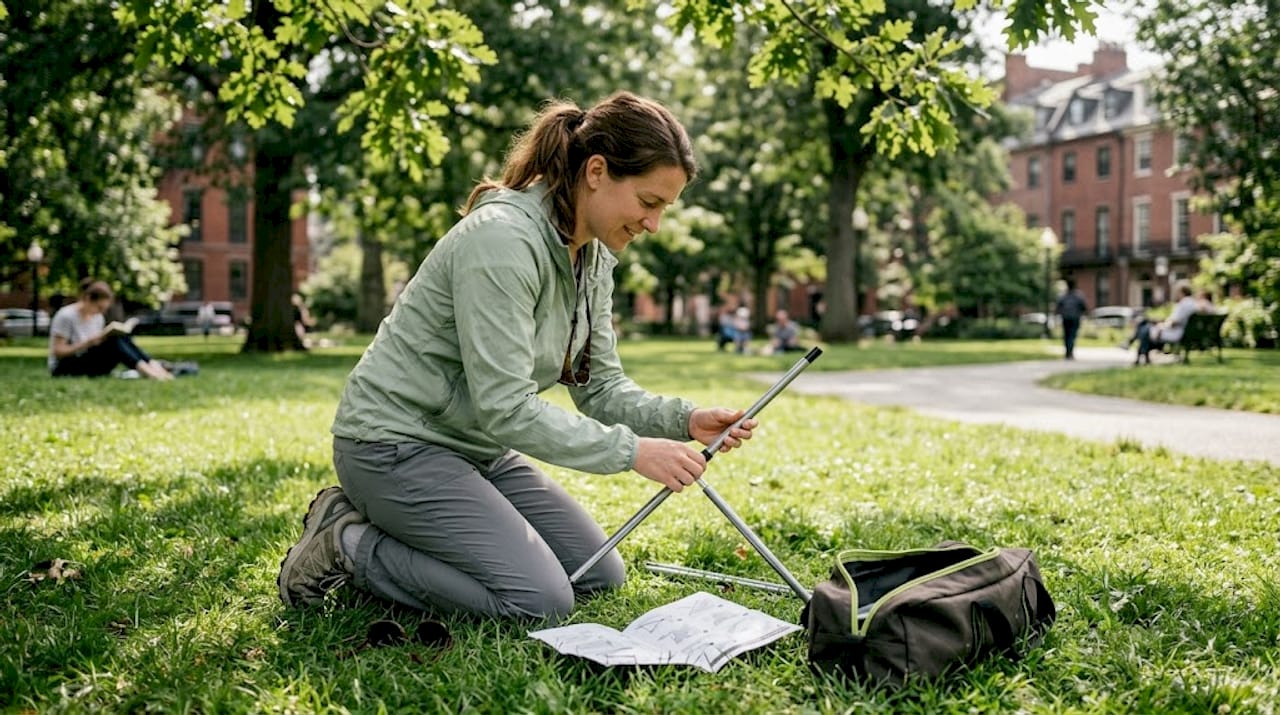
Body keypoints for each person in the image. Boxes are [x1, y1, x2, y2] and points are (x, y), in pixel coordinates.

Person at [277, 92, 758, 621]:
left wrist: (684, 420)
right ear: (596, 171)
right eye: (648, 203)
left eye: (664, 208)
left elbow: (599, 389)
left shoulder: (592, 254)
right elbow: (505, 407)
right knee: (538, 600)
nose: (654, 224)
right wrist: (634, 452)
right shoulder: (502, 241)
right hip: (393, 446)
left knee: (597, 573)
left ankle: (414, 533)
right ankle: (348, 543)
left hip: (477, 451)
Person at [48, 279, 173, 380]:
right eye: (99, 307)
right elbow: (58, 351)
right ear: (87, 299)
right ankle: (149, 372)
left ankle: (153, 366)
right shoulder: (66, 316)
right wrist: (88, 343)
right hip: (64, 368)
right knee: (114, 343)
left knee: (120, 337)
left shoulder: (97, 317)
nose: (100, 312)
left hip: (88, 362)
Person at [1130, 285, 1199, 365]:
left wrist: (1162, 325)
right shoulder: (1191, 302)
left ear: (1181, 293)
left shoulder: (1184, 303)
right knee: (1144, 325)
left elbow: (1175, 321)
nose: (1176, 295)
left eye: (1177, 292)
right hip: (1177, 330)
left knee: (1144, 329)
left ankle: (1137, 354)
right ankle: (1138, 351)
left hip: (1174, 332)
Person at [1054, 279, 1087, 360]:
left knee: (1066, 335)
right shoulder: (1078, 296)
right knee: (1072, 335)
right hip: (1075, 318)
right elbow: (1083, 307)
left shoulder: (1063, 296)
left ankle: (1068, 353)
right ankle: (1070, 353)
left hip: (1065, 318)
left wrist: (1058, 314)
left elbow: (1058, 306)